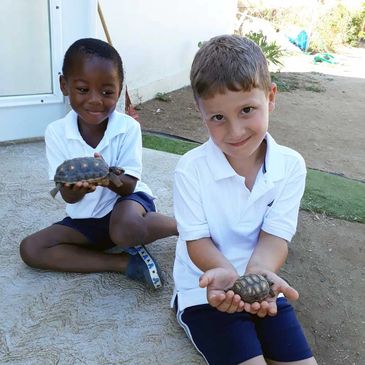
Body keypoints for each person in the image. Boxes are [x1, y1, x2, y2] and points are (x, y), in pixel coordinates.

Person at [172, 35, 317, 364]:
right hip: (207, 290)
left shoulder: (290, 166)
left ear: (271, 97)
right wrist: (222, 270)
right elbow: (197, 241)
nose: (235, 131)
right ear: (200, 112)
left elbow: (275, 236)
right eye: (218, 118)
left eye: (247, 110)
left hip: (261, 284)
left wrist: (261, 274)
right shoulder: (190, 171)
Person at [20, 38, 177, 289]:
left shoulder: (128, 128)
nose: (95, 100)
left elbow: (127, 186)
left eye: (107, 92)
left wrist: (106, 177)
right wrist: (75, 189)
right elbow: (68, 198)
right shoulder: (56, 133)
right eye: (83, 89)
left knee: (125, 229)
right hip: (86, 221)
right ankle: (123, 263)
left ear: (119, 89)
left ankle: (181, 226)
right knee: (31, 249)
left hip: (127, 205)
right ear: (64, 85)